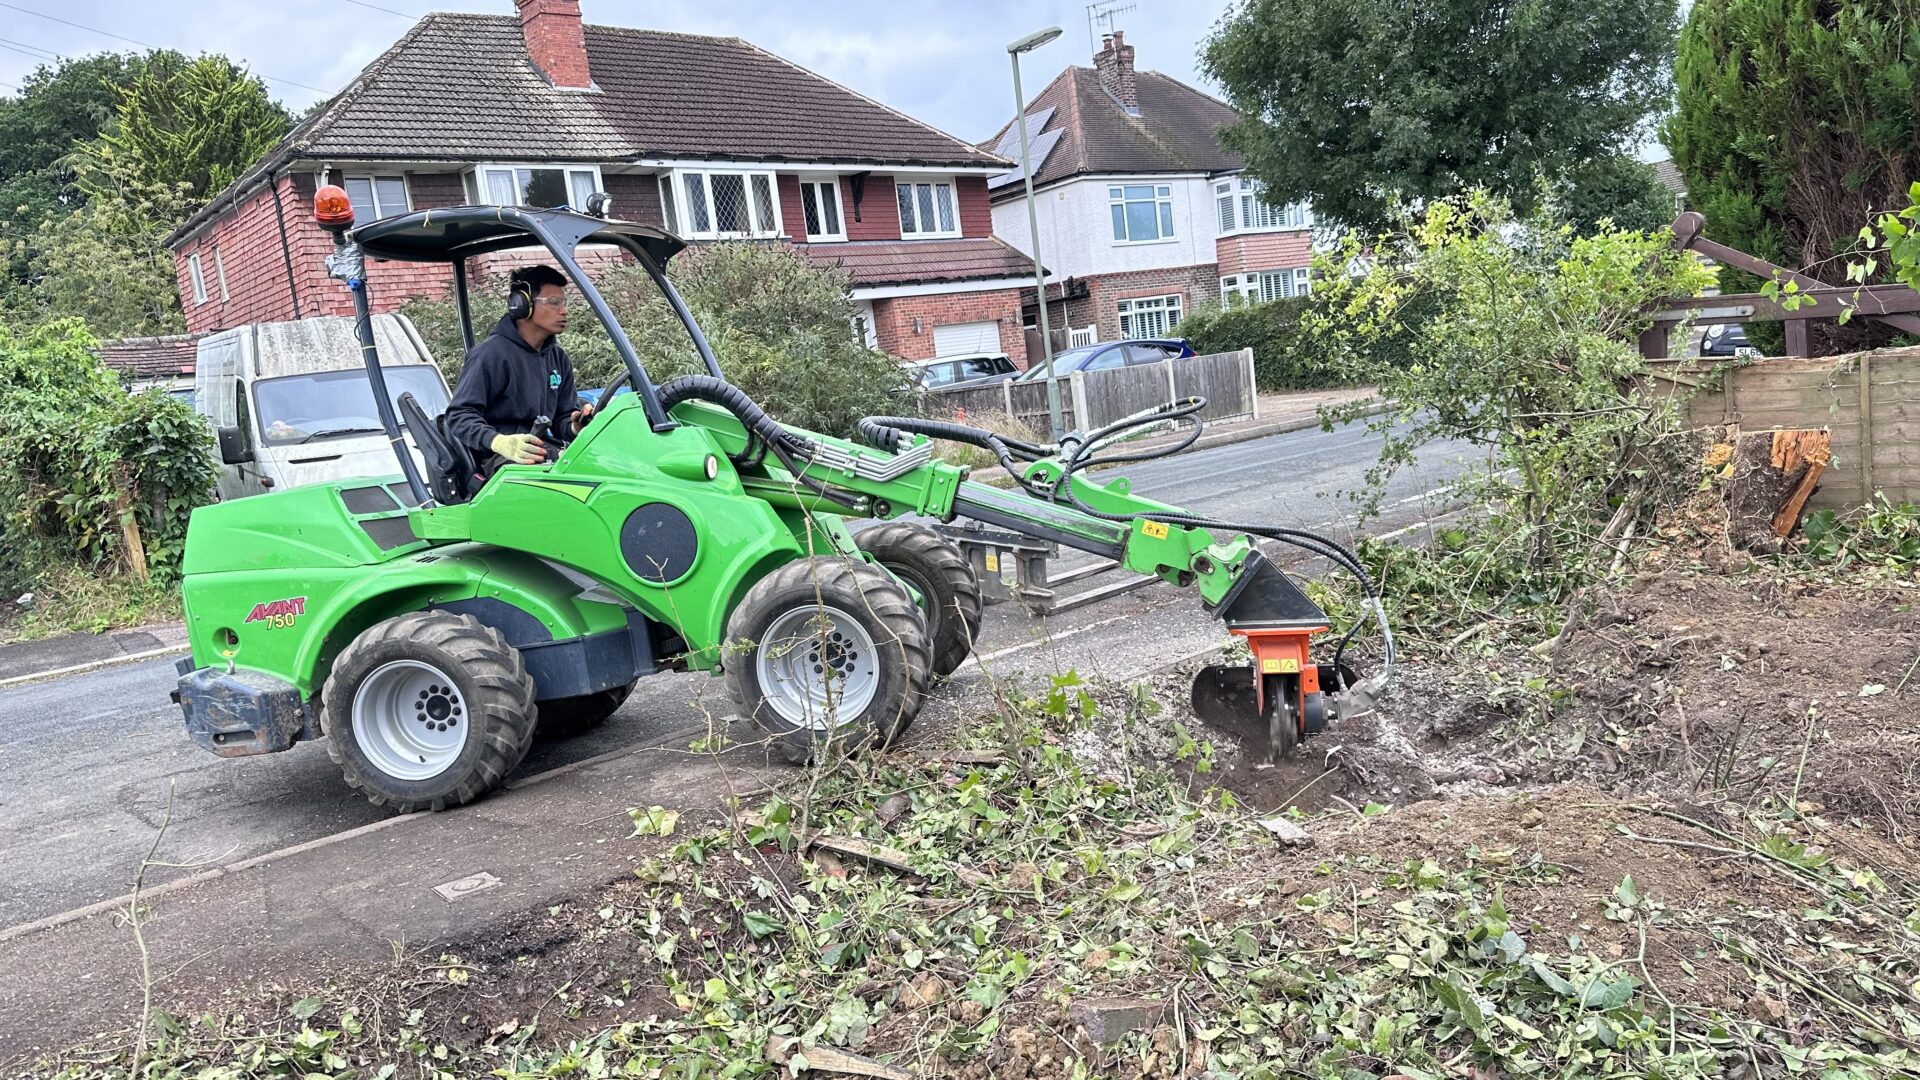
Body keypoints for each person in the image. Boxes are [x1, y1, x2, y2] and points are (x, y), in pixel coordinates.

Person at [444, 265, 596, 476]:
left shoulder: (557, 358)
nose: (564, 311)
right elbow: (459, 416)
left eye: (564, 303)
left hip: (541, 450)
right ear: (521, 304)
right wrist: (499, 442)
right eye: (553, 303)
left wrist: (575, 427)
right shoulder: (489, 355)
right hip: (498, 460)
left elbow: (562, 418)